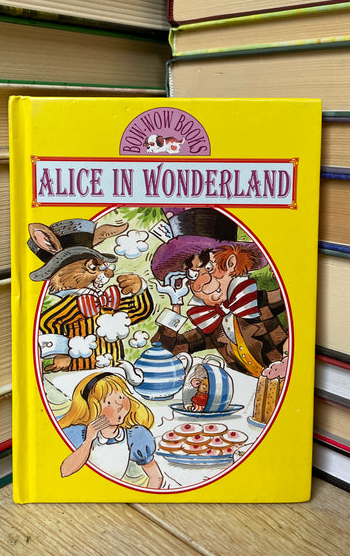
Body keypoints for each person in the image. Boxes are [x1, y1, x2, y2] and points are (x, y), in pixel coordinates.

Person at [151, 208, 288, 377]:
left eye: (209, 268)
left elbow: (297, 301)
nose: (201, 283)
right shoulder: (213, 324)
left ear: (231, 263)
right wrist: (176, 304)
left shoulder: (259, 302)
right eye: (193, 274)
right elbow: (165, 349)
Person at [28, 218, 153, 371]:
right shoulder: (73, 302)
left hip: (114, 367)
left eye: (104, 266)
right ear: (63, 273)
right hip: (82, 368)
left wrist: (140, 289)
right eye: (93, 267)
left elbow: (138, 312)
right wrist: (60, 353)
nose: (108, 273)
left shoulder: (107, 301)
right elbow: (49, 321)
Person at [58, 372, 163, 489]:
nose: (119, 405)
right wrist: (88, 440)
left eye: (121, 397)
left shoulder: (135, 436)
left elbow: (156, 476)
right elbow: (64, 472)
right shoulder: (78, 434)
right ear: (94, 408)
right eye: (109, 402)